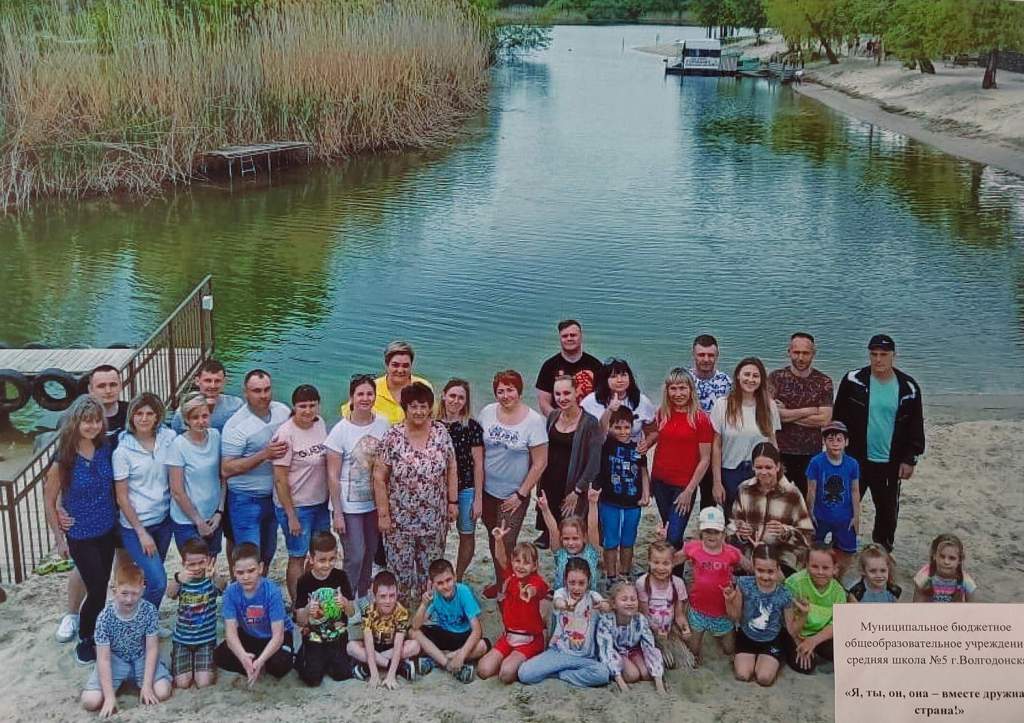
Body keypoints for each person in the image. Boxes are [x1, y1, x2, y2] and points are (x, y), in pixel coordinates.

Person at [55, 364, 128, 646]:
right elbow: (53, 486)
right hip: (82, 522)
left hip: (113, 513)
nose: (108, 390)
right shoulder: (69, 435)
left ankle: (116, 615)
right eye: (102, 385)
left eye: (113, 384)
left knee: (118, 565)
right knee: (89, 576)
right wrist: (59, 514)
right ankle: (74, 617)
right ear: (90, 389)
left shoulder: (125, 417)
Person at [832, 334, 924, 552]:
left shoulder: (908, 387)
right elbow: (838, 418)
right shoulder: (853, 380)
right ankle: (841, 546)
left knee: (887, 511)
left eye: (883, 354)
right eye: (874, 354)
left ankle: (882, 550)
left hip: (889, 461)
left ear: (894, 355)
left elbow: (915, 426)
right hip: (855, 459)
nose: (878, 359)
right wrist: (836, 451)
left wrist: (910, 459)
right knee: (845, 506)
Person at [44, 396, 118, 664]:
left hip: (107, 528)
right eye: (87, 421)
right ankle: (87, 637)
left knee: (102, 584)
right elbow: (49, 499)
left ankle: (98, 629)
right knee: (96, 588)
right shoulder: (64, 458)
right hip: (80, 533)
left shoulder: (106, 447)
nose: (92, 426)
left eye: (97, 421)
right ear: (76, 422)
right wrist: (59, 538)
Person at [374, 382, 457, 603]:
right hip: (399, 520)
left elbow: (451, 468)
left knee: (431, 571)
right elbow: (379, 477)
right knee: (399, 572)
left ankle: (428, 611)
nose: (419, 411)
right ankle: (399, 612)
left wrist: (453, 502)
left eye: (423, 406)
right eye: (413, 406)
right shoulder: (392, 436)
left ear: (430, 408)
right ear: (405, 408)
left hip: (434, 518)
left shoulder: (441, 433)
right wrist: (383, 514)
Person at [479, 369, 548, 598]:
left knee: (508, 542)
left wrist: (520, 494)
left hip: (514, 494)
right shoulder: (487, 412)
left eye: (510, 390)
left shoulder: (534, 421)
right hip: (488, 491)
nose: (505, 395)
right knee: (494, 538)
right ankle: (501, 582)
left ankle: (509, 587)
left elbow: (540, 463)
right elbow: (479, 450)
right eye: (500, 391)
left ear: (519, 391)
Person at [325, 374, 390, 601]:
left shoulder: (383, 424)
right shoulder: (340, 431)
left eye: (369, 394)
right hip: (348, 506)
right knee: (355, 555)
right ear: (351, 397)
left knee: (371, 551)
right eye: (360, 394)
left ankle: (363, 595)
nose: (365, 398)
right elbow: (332, 476)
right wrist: (338, 513)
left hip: (373, 503)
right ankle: (347, 599)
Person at [80, 561, 173, 716]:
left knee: (162, 691)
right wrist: (109, 697)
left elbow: (152, 649)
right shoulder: (104, 617)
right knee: (90, 701)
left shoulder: (149, 611)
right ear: (114, 590)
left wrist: (147, 686)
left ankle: (143, 681)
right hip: (116, 659)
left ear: (142, 590)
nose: (129, 599)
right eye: (124, 593)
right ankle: (115, 685)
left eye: (134, 593)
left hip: (141, 656)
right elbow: (103, 658)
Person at [221, 369, 291, 567]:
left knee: (268, 552)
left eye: (267, 389)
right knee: (249, 555)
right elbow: (226, 468)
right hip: (245, 498)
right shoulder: (235, 426)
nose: (263, 395)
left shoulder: (282, 411)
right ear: (245, 392)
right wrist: (264, 455)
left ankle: (261, 583)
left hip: (274, 496)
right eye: (257, 391)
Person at [113, 392, 177, 610]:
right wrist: (141, 532)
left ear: (158, 416)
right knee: (158, 582)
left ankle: (143, 616)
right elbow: (122, 496)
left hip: (163, 521)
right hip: (136, 527)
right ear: (131, 417)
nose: (144, 418)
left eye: (150, 413)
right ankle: (142, 622)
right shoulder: (122, 451)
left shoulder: (168, 438)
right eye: (139, 413)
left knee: (149, 579)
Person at [272, 384, 331, 603]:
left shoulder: (320, 423)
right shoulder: (285, 434)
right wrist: (291, 515)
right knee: (297, 555)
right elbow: (280, 479)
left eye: (312, 405)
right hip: (297, 505)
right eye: (302, 406)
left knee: (320, 553)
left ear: (319, 406)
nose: (308, 411)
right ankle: (298, 604)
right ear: (294, 407)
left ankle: (316, 597)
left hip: (320, 502)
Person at [517, 558, 612, 688]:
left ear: (588, 582)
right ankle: (560, 671)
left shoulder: (592, 596)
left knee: (603, 673)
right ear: (565, 581)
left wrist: (604, 605)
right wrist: (566, 605)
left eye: (581, 583)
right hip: (560, 652)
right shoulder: (561, 593)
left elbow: (606, 605)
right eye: (572, 583)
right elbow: (558, 602)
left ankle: (562, 674)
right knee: (525, 673)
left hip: (585, 657)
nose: (576, 588)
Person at [534, 374, 602, 550]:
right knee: (551, 532)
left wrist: (578, 490)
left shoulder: (590, 423)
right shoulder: (553, 416)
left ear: (576, 392)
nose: (562, 398)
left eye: (566, 393)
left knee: (571, 532)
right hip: (549, 481)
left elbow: (594, 463)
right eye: (557, 394)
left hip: (572, 484)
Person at [475, 526, 548, 684]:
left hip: (530, 640)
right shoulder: (511, 576)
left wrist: (529, 592)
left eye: (526, 563)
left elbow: (537, 589)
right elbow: (501, 558)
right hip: (508, 636)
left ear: (535, 566)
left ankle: (529, 658)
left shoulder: (537, 581)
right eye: (517, 561)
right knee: (483, 670)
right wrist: (498, 540)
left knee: (506, 674)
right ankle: (511, 659)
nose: (520, 566)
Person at [651, 368, 713, 551]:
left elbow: (705, 459)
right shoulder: (662, 413)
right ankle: (672, 567)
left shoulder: (700, 419)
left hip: (684, 485)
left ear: (690, 390)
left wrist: (689, 490)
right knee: (668, 525)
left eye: (682, 388)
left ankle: (676, 567)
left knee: (674, 534)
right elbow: (656, 438)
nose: (678, 394)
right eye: (673, 388)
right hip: (660, 481)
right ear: (667, 391)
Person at [710, 357, 780, 520]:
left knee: (759, 519)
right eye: (746, 374)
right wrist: (717, 482)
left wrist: (777, 475)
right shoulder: (722, 405)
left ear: (761, 379)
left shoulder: (769, 406)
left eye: (756, 376)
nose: (751, 379)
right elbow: (717, 446)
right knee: (733, 520)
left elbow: (773, 443)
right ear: (738, 376)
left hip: (760, 472)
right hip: (730, 472)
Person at [214, 542, 295, 683]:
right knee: (219, 656)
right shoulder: (230, 592)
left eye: (251, 571)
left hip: (273, 635)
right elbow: (230, 633)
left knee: (280, 665)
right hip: (249, 633)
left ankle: (259, 662)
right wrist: (243, 657)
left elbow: (278, 636)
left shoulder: (272, 591)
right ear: (234, 571)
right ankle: (251, 662)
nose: (246, 577)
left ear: (260, 568)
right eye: (240, 572)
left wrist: (261, 660)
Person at [729, 442, 814, 575]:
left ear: (778, 466)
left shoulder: (792, 493)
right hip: (751, 553)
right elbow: (733, 524)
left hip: (782, 556)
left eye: (768, 467)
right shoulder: (744, 489)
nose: (763, 472)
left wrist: (785, 532)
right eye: (759, 467)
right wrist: (741, 532)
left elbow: (806, 534)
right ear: (753, 467)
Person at [722, 544, 799, 687]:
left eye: (770, 571)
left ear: (778, 569)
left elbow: (791, 629)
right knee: (742, 675)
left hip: (771, 640)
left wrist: (804, 614)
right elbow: (735, 617)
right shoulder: (744, 584)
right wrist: (729, 601)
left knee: (764, 678)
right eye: (760, 570)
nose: (765, 576)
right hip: (747, 636)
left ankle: (772, 658)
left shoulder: (785, 594)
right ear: (753, 566)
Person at [768, 333, 833, 498]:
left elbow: (824, 419)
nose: (801, 358)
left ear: (813, 353)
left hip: (811, 453)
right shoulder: (776, 378)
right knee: (778, 502)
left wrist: (786, 413)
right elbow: (770, 415)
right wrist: (810, 410)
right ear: (789, 352)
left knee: (809, 502)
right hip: (780, 451)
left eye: (805, 353)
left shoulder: (823, 382)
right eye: (796, 352)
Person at [673, 507, 740, 665]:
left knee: (729, 649)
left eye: (716, 532)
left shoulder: (732, 552)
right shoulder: (692, 547)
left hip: (723, 612)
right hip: (698, 610)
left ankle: (719, 637)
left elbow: (749, 567)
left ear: (723, 533)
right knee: (693, 651)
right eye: (707, 531)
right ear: (700, 532)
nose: (711, 535)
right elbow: (672, 560)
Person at [435, 379, 485, 581]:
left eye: (461, 398)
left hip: (466, 488)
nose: (455, 401)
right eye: (452, 396)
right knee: (437, 537)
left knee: (466, 533)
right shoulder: (432, 424)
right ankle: (438, 576)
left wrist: (478, 498)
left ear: (466, 401)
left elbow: (478, 464)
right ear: (443, 396)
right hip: (438, 489)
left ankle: (459, 576)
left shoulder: (472, 426)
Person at [410, 559, 488, 683]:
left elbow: (477, 631)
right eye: (440, 583)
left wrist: (461, 655)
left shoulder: (463, 591)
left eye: (448, 580)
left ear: (455, 577)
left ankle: (435, 660)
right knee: (413, 632)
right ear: (433, 584)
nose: (446, 586)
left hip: (462, 636)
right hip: (444, 634)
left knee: (483, 645)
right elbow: (415, 626)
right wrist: (424, 604)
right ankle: (447, 664)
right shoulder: (434, 594)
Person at [594, 407, 649, 582]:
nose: (623, 431)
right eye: (617, 427)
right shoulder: (606, 445)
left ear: (632, 427)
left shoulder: (637, 448)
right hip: (609, 501)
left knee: (628, 540)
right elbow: (601, 428)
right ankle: (611, 576)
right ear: (610, 427)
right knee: (610, 540)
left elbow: (643, 471)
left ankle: (625, 573)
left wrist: (646, 494)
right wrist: (610, 409)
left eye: (626, 427)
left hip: (633, 502)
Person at [168, 392, 225, 558]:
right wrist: (198, 521)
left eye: (204, 416)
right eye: (195, 417)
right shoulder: (178, 446)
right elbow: (177, 491)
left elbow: (222, 476)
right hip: (187, 520)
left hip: (213, 515)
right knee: (194, 565)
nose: (201, 421)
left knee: (211, 562)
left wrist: (219, 511)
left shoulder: (216, 436)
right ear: (186, 419)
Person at [294, 531, 355, 686]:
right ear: (311, 559)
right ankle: (304, 656)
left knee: (343, 674)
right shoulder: (304, 581)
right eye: (322, 560)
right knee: (312, 679)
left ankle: (329, 659)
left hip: (337, 635)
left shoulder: (341, 577)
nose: (327, 565)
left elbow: (351, 612)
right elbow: (300, 621)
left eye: (332, 559)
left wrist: (344, 603)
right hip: (314, 636)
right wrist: (307, 609)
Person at [165, 537, 227, 690]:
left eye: (201, 562)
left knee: (204, 683)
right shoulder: (182, 580)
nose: (197, 567)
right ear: (183, 564)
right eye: (191, 564)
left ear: (208, 560)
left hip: (205, 640)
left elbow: (223, 586)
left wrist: (214, 576)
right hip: (182, 640)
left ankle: (207, 663)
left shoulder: (210, 579)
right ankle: (177, 657)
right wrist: (178, 579)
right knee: (182, 683)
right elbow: (170, 594)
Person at [806, 421, 860, 577]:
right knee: (814, 549)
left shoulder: (852, 464)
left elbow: (855, 490)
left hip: (844, 517)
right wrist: (809, 514)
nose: (835, 443)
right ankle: (815, 576)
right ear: (824, 441)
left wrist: (856, 516)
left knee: (847, 552)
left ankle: (837, 578)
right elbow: (811, 489)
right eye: (830, 439)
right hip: (821, 516)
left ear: (846, 442)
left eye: (839, 439)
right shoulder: (816, 462)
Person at [347, 570, 420, 687]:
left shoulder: (401, 612)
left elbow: (398, 645)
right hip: (373, 647)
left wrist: (391, 676)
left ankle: (365, 668)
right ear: (374, 596)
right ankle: (398, 667)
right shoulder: (368, 610)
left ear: (397, 594)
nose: (388, 601)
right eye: (383, 596)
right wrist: (374, 674)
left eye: (392, 596)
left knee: (415, 645)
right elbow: (368, 642)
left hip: (391, 648)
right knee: (351, 647)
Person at [687, 335, 732, 512]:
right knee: (684, 495)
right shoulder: (684, 379)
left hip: (714, 449)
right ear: (694, 355)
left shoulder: (726, 382)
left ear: (717, 355)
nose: (706, 359)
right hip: (688, 447)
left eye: (711, 355)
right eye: (701, 354)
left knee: (709, 498)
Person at [784, 545, 844, 674]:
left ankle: (814, 649)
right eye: (815, 566)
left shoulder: (838, 591)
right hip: (796, 632)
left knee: (844, 652)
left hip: (820, 634)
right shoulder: (794, 583)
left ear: (835, 569)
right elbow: (786, 621)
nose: (820, 572)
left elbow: (836, 623)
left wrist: (813, 641)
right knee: (805, 666)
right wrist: (798, 641)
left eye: (826, 568)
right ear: (806, 565)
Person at [340, 341, 431, 425]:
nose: (400, 370)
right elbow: (348, 414)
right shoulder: (371, 388)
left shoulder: (424, 387)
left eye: (405, 366)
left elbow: (432, 416)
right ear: (387, 364)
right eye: (395, 365)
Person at [602, 581, 666, 694]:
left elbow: (650, 647)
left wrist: (659, 685)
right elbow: (606, 650)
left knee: (647, 674)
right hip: (616, 652)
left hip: (634, 650)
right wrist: (621, 683)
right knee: (632, 675)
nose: (629, 603)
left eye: (633, 599)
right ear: (614, 604)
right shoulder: (606, 621)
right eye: (624, 599)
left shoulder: (640, 619)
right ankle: (619, 672)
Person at [636, 541, 690, 670]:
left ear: (673, 563)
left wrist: (685, 628)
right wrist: (655, 630)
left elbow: (679, 615)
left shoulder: (678, 583)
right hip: (649, 631)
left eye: (666, 563)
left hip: (669, 630)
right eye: (656, 562)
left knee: (686, 662)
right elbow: (643, 615)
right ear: (649, 562)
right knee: (662, 662)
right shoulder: (642, 583)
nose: (660, 568)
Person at [580, 358, 657, 448]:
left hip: (631, 454)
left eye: (623, 375)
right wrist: (609, 410)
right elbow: (579, 433)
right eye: (613, 376)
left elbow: (653, 431)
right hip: (598, 453)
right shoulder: (590, 401)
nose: (620, 380)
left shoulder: (642, 401)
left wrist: (647, 443)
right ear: (605, 379)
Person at [537, 487, 601, 591]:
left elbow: (592, 527)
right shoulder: (560, 553)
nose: (571, 543)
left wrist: (593, 504)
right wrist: (545, 510)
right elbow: (553, 530)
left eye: (575, 538)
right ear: (561, 539)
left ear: (584, 538)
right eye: (566, 539)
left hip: (587, 597)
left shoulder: (591, 552)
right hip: (563, 597)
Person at [534, 319, 602, 415]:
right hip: (558, 420)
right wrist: (558, 420)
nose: (569, 338)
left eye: (573, 335)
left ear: (581, 337)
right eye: (564, 336)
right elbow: (544, 402)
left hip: (589, 420)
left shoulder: (595, 365)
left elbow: (602, 399)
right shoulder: (549, 366)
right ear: (560, 338)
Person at [170, 359, 244, 434]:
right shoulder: (184, 410)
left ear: (224, 382)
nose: (212, 386)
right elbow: (178, 434)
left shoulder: (236, 405)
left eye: (217, 381)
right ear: (197, 381)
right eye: (208, 381)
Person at [913, 534, 976, 602]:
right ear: (934, 555)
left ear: (960, 560)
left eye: (952, 558)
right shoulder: (923, 578)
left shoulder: (966, 582)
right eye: (942, 556)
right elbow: (917, 606)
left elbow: (973, 607)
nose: (946, 562)